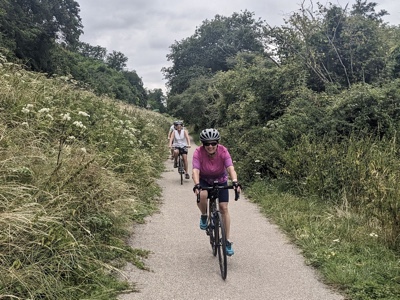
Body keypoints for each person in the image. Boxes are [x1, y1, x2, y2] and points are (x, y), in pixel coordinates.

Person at [192, 128, 241, 256]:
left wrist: (235, 181)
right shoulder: (198, 152)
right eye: (207, 144)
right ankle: (204, 215)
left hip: (221, 179)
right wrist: (197, 184)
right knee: (202, 194)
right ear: (203, 144)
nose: (210, 146)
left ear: (217, 143)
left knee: (224, 208)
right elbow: (195, 171)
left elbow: (230, 168)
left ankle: (227, 240)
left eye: (213, 143)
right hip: (204, 180)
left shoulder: (223, 151)